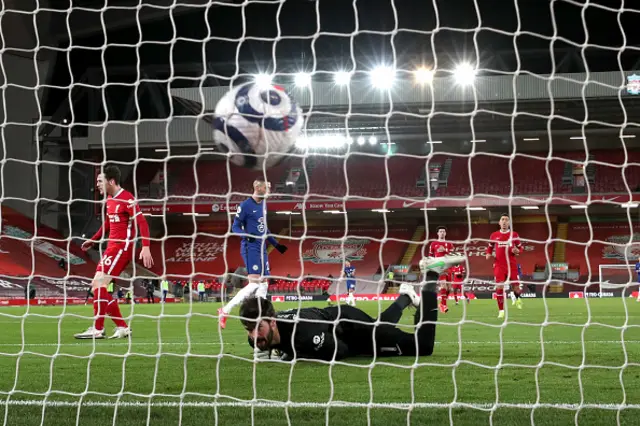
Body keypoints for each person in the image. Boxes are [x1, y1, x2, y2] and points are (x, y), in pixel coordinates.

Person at [239, 254, 466, 361]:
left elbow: (343, 351)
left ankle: (433, 272)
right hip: (334, 320)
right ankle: (405, 297)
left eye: (257, 327)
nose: (253, 335)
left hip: (350, 326)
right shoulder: (256, 339)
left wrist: (292, 354)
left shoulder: (304, 334)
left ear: (272, 320)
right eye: (249, 329)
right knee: (383, 326)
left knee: (423, 347)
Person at [74, 165, 154, 340]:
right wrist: (94, 240)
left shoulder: (128, 199)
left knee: (98, 284)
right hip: (112, 248)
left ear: (111, 181)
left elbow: (142, 222)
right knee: (98, 287)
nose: (97, 185)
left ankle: (97, 328)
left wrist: (146, 247)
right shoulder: (110, 200)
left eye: (100, 181)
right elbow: (108, 224)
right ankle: (122, 327)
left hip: (122, 248)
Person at [218, 179, 288, 329]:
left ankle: (260, 315)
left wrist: (276, 245)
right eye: (267, 187)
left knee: (264, 283)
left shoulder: (263, 204)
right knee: (254, 282)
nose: (269, 190)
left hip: (262, 247)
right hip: (251, 247)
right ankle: (225, 310)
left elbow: (264, 228)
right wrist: (246, 235)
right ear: (257, 187)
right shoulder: (245, 206)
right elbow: (235, 226)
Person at [485, 213, 522, 318]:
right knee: (499, 286)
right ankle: (501, 311)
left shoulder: (514, 235)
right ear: (499, 222)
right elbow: (490, 247)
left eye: (506, 220)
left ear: (509, 222)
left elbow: (521, 249)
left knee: (516, 287)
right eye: (502, 219)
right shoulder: (494, 235)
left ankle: (517, 298)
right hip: (499, 265)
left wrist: (517, 251)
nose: (504, 221)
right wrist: (488, 253)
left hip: (512, 265)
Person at [428, 226, 455, 313]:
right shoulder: (433, 244)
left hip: (448, 267)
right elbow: (430, 257)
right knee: (443, 285)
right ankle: (443, 305)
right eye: (440, 231)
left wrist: (445, 251)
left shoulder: (449, 244)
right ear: (438, 233)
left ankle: (442, 303)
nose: (442, 233)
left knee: (449, 289)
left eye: (443, 231)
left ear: (445, 233)